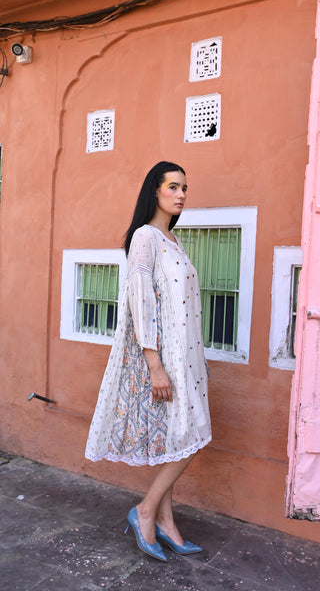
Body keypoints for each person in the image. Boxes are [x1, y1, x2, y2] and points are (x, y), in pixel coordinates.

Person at [85, 161, 212, 562]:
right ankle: (144, 510)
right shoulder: (145, 238)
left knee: (178, 440)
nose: (181, 195)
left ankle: (165, 520)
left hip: (186, 359)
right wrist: (155, 366)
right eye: (173, 187)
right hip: (163, 359)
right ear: (154, 191)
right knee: (188, 438)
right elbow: (142, 302)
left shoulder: (172, 240)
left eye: (185, 188)